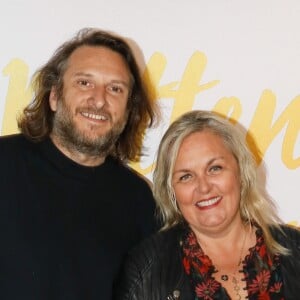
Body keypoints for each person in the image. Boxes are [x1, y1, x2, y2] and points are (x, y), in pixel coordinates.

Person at [0, 28, 159, 300]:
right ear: (54, 96)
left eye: (115, 88)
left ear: (128, 110)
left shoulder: (139, 200)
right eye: (84, 83)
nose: (99, 100)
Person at [115, 110, 300, 299]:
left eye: (214, 168)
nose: (203, 187)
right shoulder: (144, 271)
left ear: (241, 173)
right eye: (186, 176)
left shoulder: (295, 248)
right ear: (171, 192)